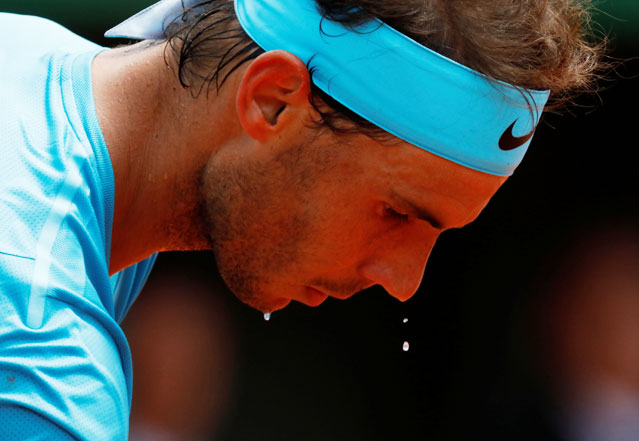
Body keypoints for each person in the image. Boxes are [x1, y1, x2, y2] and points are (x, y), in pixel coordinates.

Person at [0, 0, 603, 439]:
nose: (404, 281)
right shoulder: (38, 358)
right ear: (272, 100)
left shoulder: (21, 49)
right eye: (396, 211)